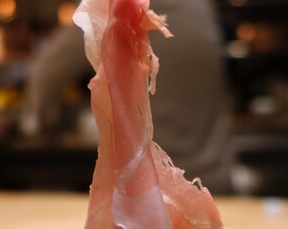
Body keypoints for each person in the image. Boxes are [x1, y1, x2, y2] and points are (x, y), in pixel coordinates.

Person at [23, 0, 235, 195]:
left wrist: (45, 124)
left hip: (151, 191)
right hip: (214, 179)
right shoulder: (200, 7)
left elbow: (45, 77)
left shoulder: (114, 5)